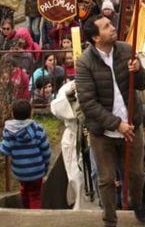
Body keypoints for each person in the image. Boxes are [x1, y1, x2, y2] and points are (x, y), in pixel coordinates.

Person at [76, 16, 145, 227]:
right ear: (95, 37)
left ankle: (137, 202)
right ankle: (109, 218)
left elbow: (142, 84)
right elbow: (88, 103)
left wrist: (138, 70)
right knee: (106, 179)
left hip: (132, 126)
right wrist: (117, 124)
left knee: (137, 173)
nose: (112, 28)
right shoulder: (84, 62)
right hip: (103, 132)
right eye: (106, 27)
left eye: (110, 24)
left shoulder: (127, 50)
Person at [0, 99, 51, 209]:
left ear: (13, 113)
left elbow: (5, 149)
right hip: (37, 170)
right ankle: (34, 218)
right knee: (35, 195)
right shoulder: (37, 129)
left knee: (24, 191)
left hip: (20, 171)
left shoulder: (9, 130)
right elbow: (46, 150)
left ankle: (25, 212)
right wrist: (46, 166)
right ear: (30, 113)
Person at [50, 81, 86, 210]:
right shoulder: (68, 87)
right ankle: (79, 207)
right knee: (76, 176)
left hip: (95, 136)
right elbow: (56, 109)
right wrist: (70, 94)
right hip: (73, 137)